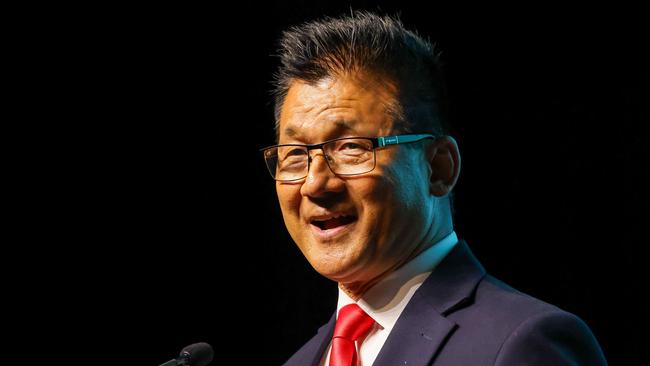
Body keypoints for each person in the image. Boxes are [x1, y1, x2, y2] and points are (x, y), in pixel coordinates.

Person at [261, 11, 607, 366]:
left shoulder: (523, 344)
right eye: (295, 154)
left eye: (351, 147)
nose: (315, 183)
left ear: (439, 167)